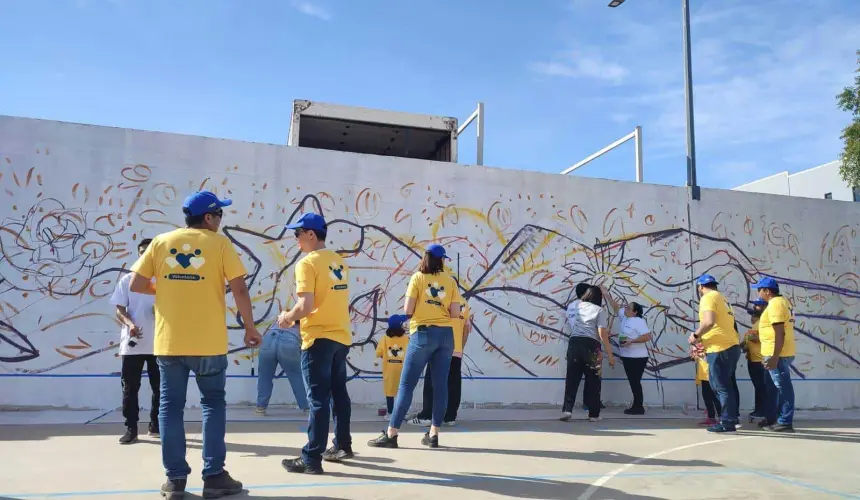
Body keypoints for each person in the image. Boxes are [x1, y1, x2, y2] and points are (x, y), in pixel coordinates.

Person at [129, 191, 262, 499]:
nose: (220, 221)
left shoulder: (161, 242)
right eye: (219, 216)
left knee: (169, 408)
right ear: (208, 217)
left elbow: (136, 284)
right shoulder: (220, 244)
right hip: (209, 343)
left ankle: (175, 480)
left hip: (169, 343)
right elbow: (240, 288)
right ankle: (214, 476)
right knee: (212, 404)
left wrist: (165, 287)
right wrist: (250, 327)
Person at [279, 213, 354, 474]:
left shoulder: (307, 263)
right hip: (341, 337)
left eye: (297, 234)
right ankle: (343, 444)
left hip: (318, 339)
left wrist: (287, 317)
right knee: (339, 394)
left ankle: (311, 458)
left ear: (311, 234)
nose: (296, 240)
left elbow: (305, 305)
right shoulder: (339, 262)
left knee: (318, 399)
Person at [367, 243, 462, 449]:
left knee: (407, 385)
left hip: (423, 334)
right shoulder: (450, 281)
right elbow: (455, 313)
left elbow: (408, 309)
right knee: (440, 386)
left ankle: (392, 433)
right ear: (442, 260)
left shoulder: (418, 278)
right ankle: (434, 434)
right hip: (446, 335)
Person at [111, 238, 159, 444]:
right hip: (133, 345)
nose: (144, 255)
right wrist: (130, 325)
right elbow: (119, 308)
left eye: (147, 252)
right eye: (141, 252)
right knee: (130, 388)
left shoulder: (166, 280)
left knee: (161, 388)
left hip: (161, 344)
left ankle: (156, 425)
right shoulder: (127, 280)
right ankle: (131, 429)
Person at [688, 274, 741, 433]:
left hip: (719, 348)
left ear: (700, 287)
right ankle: (731, 417)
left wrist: (695, 336)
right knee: (726, 386)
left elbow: (709, 321)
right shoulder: (723, 300)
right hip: (730, 346)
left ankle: (727, 421)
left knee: (720, 386)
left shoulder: (708, 297)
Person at [560, 286, 616, 422]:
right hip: (591, 345)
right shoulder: (599, 310)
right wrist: (610, 354)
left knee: (572, 379)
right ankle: (593, 414)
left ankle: (567, 410)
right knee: (594, 380)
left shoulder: (578, 306)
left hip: (574, 343)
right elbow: (602, 334)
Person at [410, 300, 471, 426]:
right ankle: (450, 417)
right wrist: (460, 347)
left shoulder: (440, 299)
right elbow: (466, 328)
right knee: (453, 383)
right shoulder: (464, 304)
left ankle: (427, 415)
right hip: (456, 348)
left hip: (440, 347)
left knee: (431, 381)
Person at [752, 277, 796, 432]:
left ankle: (785, 421)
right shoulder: (781, 302)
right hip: (773, 353)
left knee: (783, 387)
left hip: (776, 354)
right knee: (771, 387)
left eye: (759, 290)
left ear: (767, 291)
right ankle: (772, 417)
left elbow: (779, 332)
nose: (758, 293)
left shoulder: (776, 304)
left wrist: (775, 357)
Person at [255, 321, 309, 416]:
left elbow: (265, 333)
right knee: (296, 377)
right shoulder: (304, 324)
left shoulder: (278, 320)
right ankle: (307, 407)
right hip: (290, 342)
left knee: (264, 377)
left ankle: (260, 408)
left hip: (268, 339)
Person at [618, 302, 651, 415]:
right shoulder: (625, 316)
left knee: (635, 382)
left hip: (637, 357)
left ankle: (638, 407)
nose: (625, 308)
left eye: (628, 308)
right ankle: (637, 405)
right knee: (633, 382)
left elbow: (647, 337)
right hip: (626, 356)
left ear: (635, 312)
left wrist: (631, 341)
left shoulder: (639, 321)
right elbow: (615, 307)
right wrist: (606, 294)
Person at [376, 314, 410, 419]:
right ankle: (402, 413)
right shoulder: (406, 339)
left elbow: (379, 353)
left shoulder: (384, 339)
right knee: (403, 391)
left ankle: (390, 413)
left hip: (389, 370)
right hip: (403, 369)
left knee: (389, 391)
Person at [743, 299, 768, 421]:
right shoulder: (755, 325)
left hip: (760, 360)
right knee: (758, 387)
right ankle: (759, 409)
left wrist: (750, 336)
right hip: (753, 360)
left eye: (757, 306)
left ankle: (764, 410)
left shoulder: (765, 322)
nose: (752, 316)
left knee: (762, 386)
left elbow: (763, 337)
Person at [692, 342, 720, 426]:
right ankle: (711, 418)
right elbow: (694, 358)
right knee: (706, 396)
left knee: (715, 397)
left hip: (712, 372)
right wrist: (694, 353)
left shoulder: (712, 342)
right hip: (703, 374)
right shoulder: (698, 344)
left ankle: (722, 418)